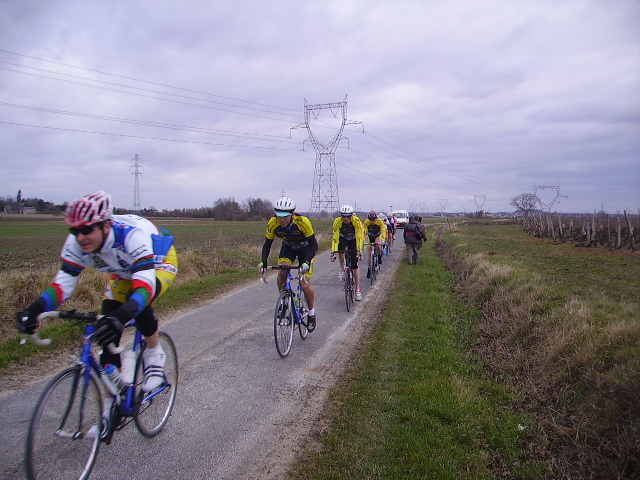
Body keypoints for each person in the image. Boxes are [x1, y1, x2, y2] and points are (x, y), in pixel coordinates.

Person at [16, 192, 178, 394]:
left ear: (106, 226)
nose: (80, 237)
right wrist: (36, 308)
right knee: (107, 329)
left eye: (86, 230)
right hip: (124, 270)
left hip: (158, 261)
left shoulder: (131, 237)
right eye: (74, 230)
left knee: (136, 303)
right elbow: (63, 285)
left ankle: (155, 354)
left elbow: (144, 289)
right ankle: (113, 405)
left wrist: (123, 314)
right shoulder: (76, 242)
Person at [259, 196, 318, 331]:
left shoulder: (303, 222)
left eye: (285, 217)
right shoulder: (273, 223)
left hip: (305, 249)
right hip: (289, 248)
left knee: (304, 284)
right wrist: (263, 262)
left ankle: (311, 313)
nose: (282, 220)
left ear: (292, 214)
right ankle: (284, 300)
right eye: (279, 216)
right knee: (282, 271)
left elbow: (314, 246)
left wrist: (306, 262)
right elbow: (267, 244)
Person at [331, 205, 364, 301]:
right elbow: (335, 238)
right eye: (343, 216)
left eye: (348, 216)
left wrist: (360, 251)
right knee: (340, 250)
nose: (346, 218)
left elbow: (359, 237)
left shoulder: (356, 221)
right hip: (343, 238)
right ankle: (342, 269)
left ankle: (358, 290)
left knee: (355, 265)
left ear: (351, 215)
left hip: (354, 239)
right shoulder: (337, 222)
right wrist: (333, 252)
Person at [363, 211, 387, 279]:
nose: (372, 221)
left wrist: (382, 240)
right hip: (370, 235)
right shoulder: (366, 222)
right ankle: (369, 269)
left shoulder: (380, 222)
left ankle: (379, 255)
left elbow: (383, 231)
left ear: (376, 218)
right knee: (369, 253)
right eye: (371, 220)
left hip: (377, 235)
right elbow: (364, 232)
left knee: (378, 244)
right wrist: (364, 239)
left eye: (373, 220)